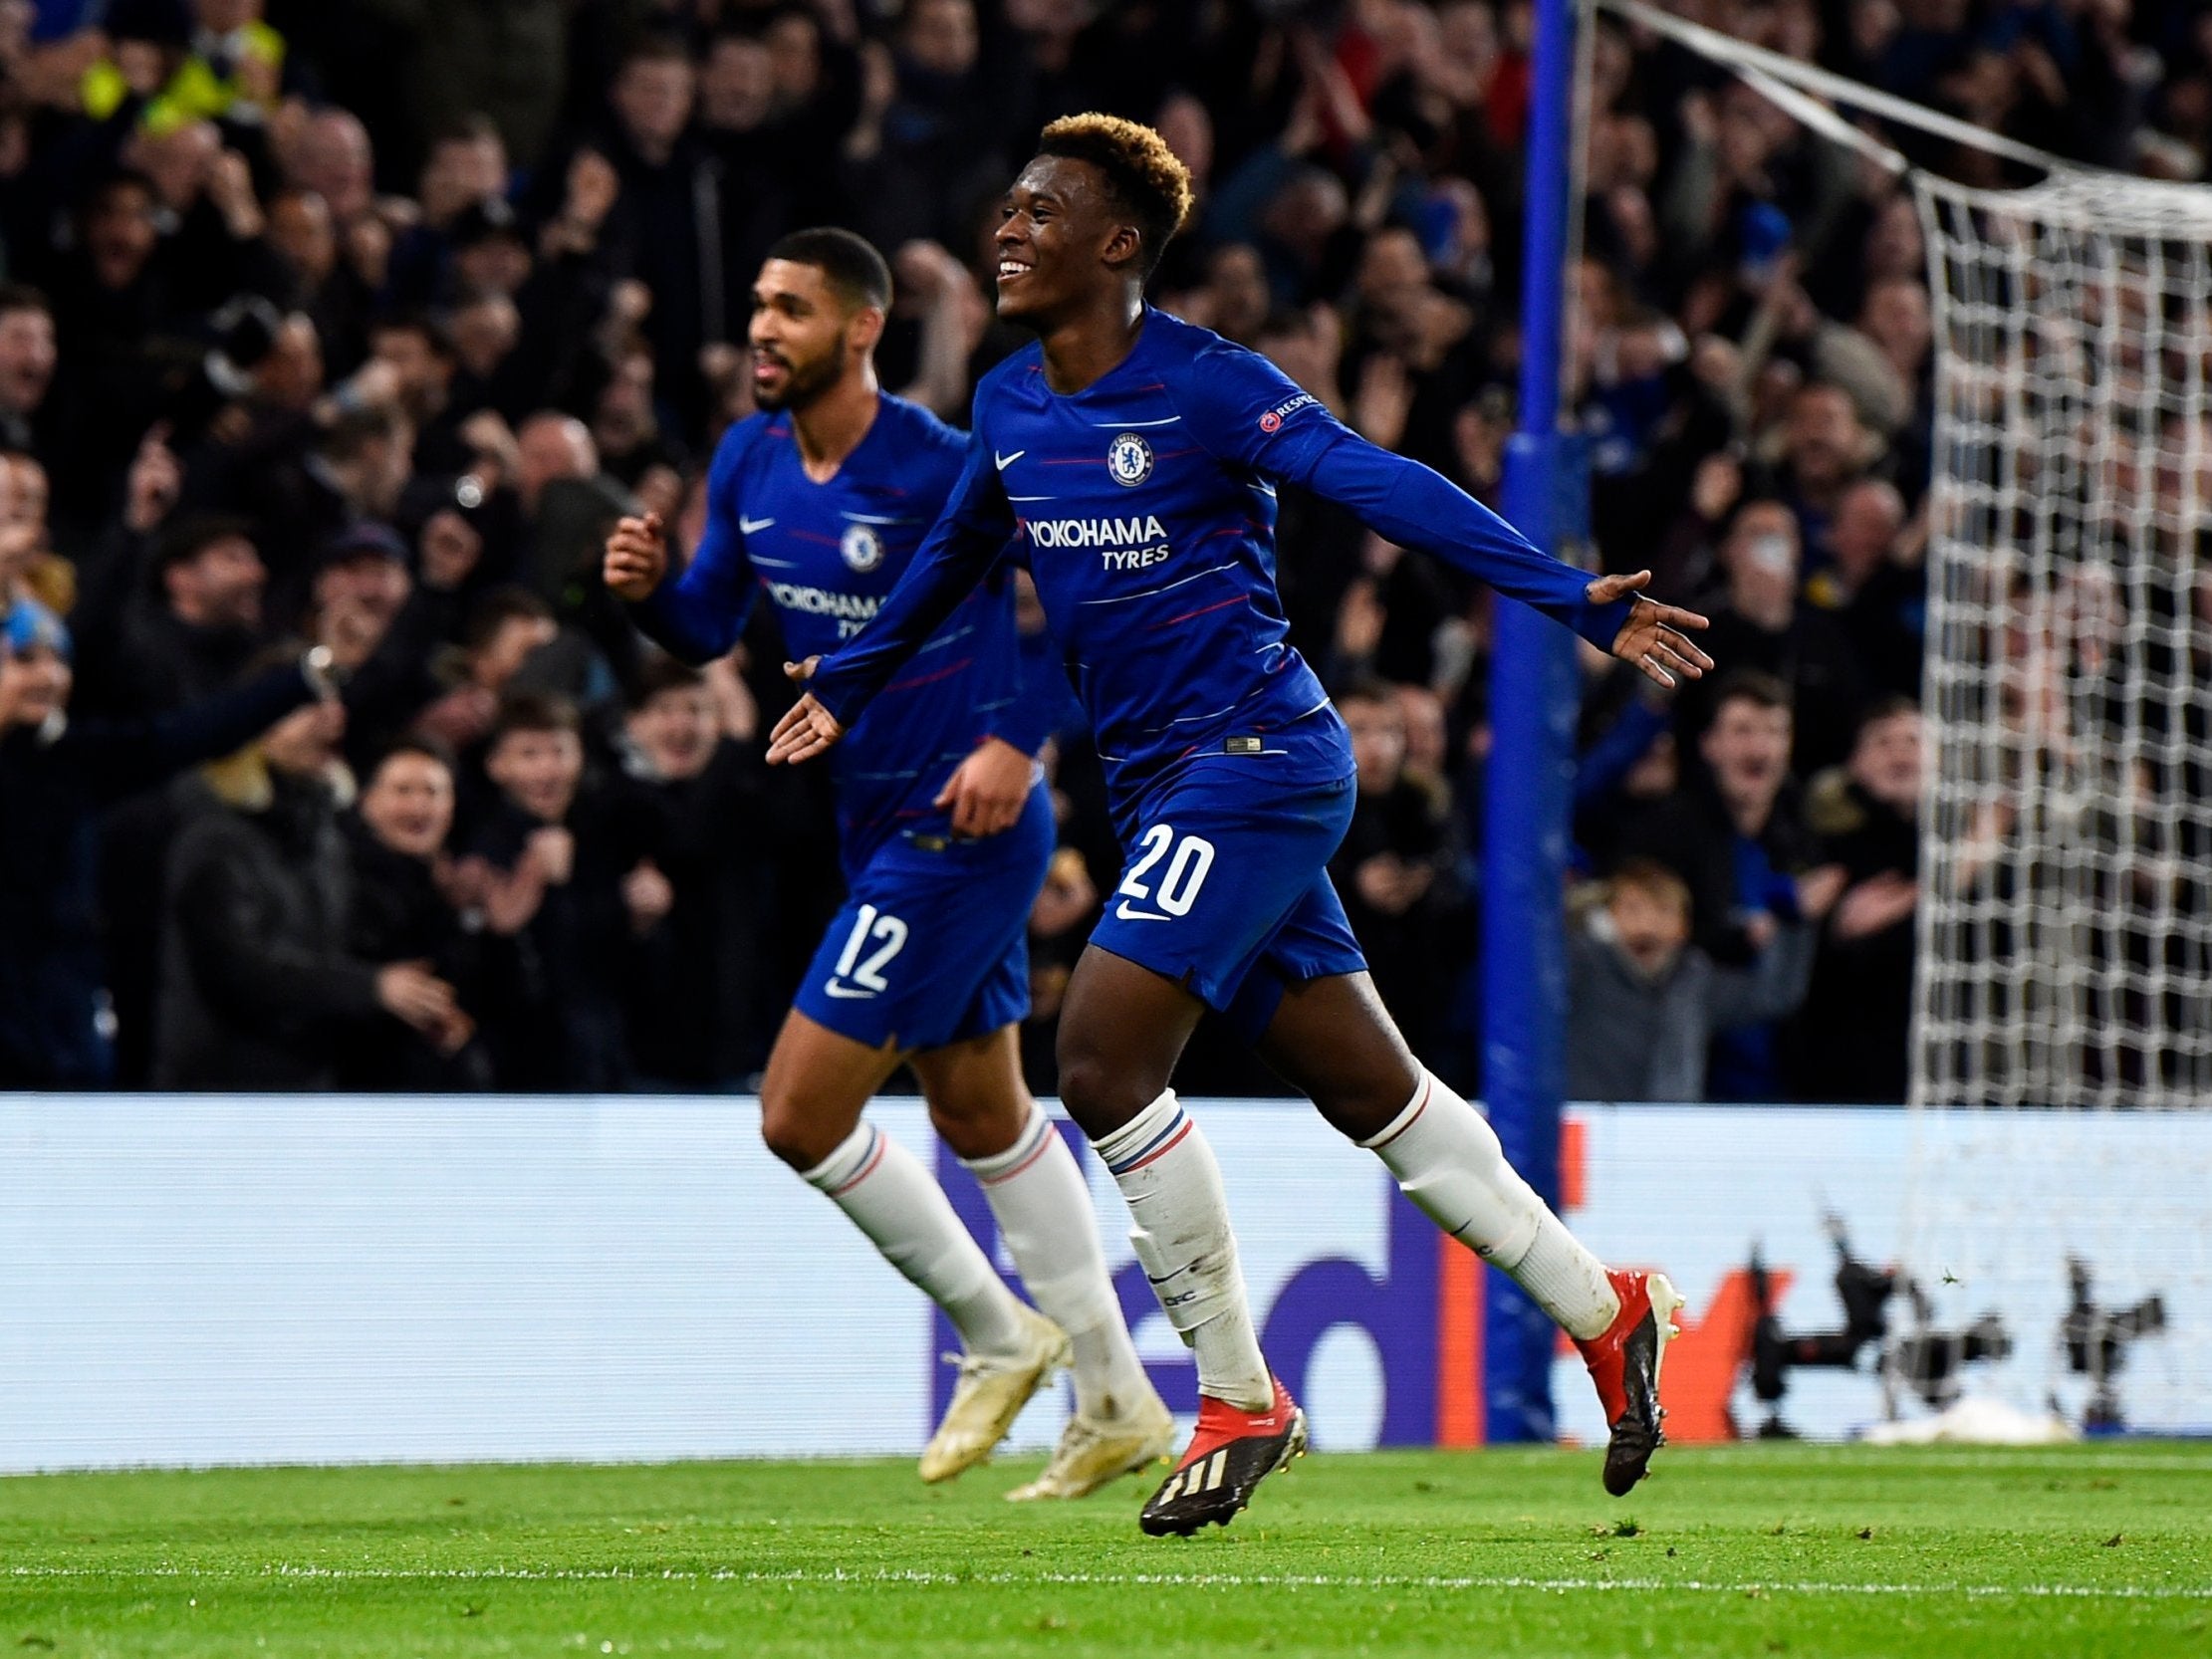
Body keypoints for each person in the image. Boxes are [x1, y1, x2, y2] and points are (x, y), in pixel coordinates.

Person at [767, 117, 1712, 1535]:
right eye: (1008, 204)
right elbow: (956, 554)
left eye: (1043, 209)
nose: (1009, 228)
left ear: (1119, 245)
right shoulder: (1013, 402)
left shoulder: (1209, 386)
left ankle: (1237, 1392)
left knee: (1094, 1056)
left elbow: (1376, 481)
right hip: (1165, 786)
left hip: (1259, 754)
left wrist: (1560, 589)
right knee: (1370, 1090)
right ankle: (1607, 1305)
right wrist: (847, 676)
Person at [604, 227, 1170, 1500]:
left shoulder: (930, 459)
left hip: (960, 828)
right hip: (872, 824)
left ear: (861, 330)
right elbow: (706, 621)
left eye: (791, 308)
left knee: (799, 1111)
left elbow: (1077, 592)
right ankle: (1118, 1399)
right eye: (757, 302)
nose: (762, 327)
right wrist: (644, 596)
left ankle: (995, 1331)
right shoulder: (748, 455)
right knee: (981, 1113)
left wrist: (1017, 744)